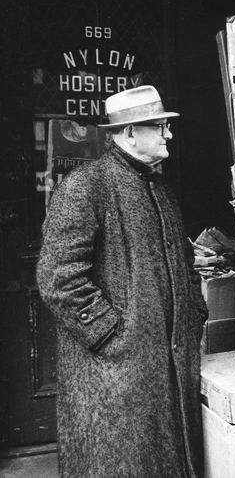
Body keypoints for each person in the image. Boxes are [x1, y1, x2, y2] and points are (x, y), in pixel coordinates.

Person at [37, 85, 208, 478]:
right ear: (130, 133)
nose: (168, 133)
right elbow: (58, 278)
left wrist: (194, 312)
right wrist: (111, 337)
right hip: (113, 375)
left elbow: (184, 262)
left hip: (160, 370)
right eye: (160, 126)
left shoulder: (160, 189)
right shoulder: (86, 186)